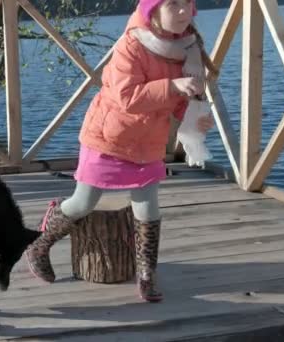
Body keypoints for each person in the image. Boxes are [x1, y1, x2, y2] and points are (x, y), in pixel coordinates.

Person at [25, 0, 218, 303]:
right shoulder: (131, 45)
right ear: (152, 11)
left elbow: (180, 99)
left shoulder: (190, 50)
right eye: (173, 4)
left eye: (188, 4)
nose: (184, 11)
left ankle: (146, 273)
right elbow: (127, 97)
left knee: (147, 206)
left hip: (148, 141)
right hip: (108, 137)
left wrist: (194, 116)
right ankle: (38, 244)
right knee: (83, 203)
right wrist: (173, 85)